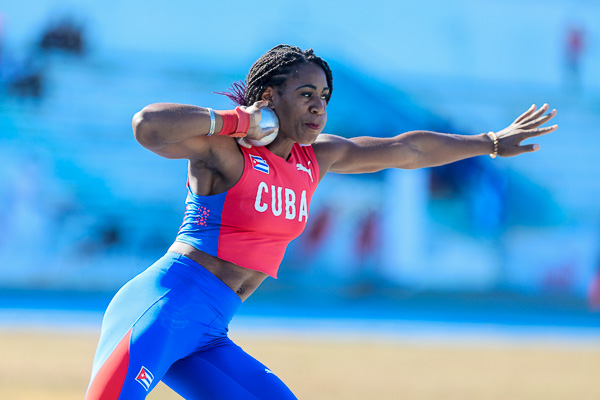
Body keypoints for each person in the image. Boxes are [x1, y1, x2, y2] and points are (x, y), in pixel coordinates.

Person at [85, 44, 558, 400]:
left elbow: (408, 149)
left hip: (209, 329)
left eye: (324, 96)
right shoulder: (228, 154)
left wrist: (490, 142)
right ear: (270, 96)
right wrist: (237, 122)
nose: (318, 105)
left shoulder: (319, 158)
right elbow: (148, 125)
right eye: (306, 93)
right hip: (163, 308)